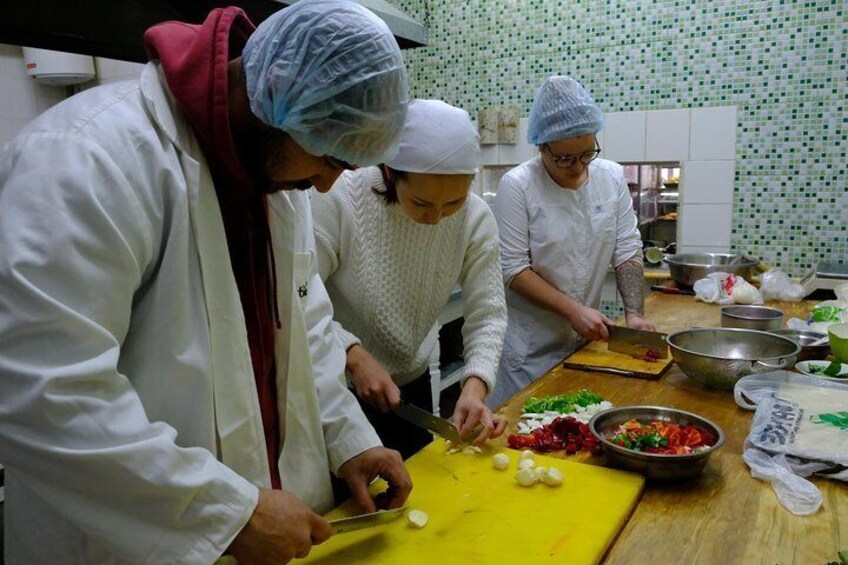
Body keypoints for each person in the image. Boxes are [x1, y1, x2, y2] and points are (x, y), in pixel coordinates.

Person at [0, 2, 414, 563]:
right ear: (275, 103)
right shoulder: (88, 158)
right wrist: (224, 512)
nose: (324, 186)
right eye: (327, 157)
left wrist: (350, 442)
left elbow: (305, 331)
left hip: (265, 530)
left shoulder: (273, 179)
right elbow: (41, 389)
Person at [311, 99, 508, 459]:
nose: (436, 219)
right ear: (389, 171)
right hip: (334, 392)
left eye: (453, 204)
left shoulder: (476, 217)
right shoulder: (339, 199)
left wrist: (475, 387)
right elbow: (298, 296)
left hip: (410, 391)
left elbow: (489, 313)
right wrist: (351, 354)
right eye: (421, 203)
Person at [487, 75, 655, 409]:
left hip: (584, 344)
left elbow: (626, 251)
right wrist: (574, 310)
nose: (578, 167)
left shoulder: (611, 177)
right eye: (564, 158)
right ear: (541, 146)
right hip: (529, 350)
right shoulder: (517, 186)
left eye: (586, 153)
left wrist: (633, 315)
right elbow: (514, 269)